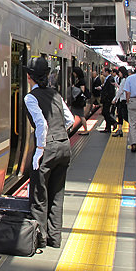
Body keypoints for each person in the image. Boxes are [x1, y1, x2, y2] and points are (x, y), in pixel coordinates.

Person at [24, 57, 74, 249]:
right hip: (64, 147)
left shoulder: (31, 97)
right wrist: (60, 135)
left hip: (48, 150)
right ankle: (55, 238)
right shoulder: (56, 95)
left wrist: (40, 150)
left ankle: (40, 239)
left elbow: (41, 125)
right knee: (57, 195)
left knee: (39, 196)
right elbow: (69, 119)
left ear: (29, 77)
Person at [70, 66, 89, 135]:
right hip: (77, 101)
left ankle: (86, 130)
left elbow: (82, 90)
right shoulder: (79, 79)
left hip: (79, 102)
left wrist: (73, 88)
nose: (73, 74)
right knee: (75, 115)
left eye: (74, 73)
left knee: (81, 116)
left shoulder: (81, 81)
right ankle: (71, 128)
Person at [111, 66, 129, 137]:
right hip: (123, 100)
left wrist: (114, 99)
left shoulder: (124, 80)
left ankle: (135, 129)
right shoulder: (125, 79)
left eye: (120, 72)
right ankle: (120, 130)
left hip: (122, 100)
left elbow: (120, 91)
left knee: (124, 116)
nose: (119, 73)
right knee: (121, 115)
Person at [99, 68, 116, 133]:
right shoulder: (108, 79)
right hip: (106, 99)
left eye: (103, 72)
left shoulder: (110, 79)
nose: (102, 73)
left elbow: (111, 90)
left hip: (107, 99)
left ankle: (114, 122)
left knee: (105, 112)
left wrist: (109, 99)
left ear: (107, 72)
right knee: (106, 112)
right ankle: (108, 128)